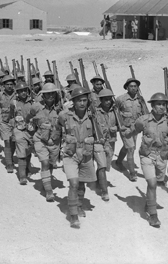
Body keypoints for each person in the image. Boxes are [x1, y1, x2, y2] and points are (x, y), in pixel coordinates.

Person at [55, 86, 97, 228]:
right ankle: (73, 215)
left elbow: (98, 135)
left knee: (81, 183)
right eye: (79, 100)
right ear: (73, 101)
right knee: (73, 183)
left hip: (86, 153)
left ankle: (78, 205)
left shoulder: (92, 116)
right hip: (70, 154)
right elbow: (57, 129)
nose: (82, 103)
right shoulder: (64, 115)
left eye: (84, 100)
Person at [134, 92, 168, 227]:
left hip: (161, 156)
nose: (161, 107)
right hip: (147, 155)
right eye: (158, 104)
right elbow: (136, 128)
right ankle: (153, 216)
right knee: (152, 184)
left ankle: (149, 202)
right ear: (152, 105)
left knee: (157, 182)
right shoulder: (144, 120)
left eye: (164, 104)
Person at [28, 83, 62, 202]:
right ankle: (49, 192)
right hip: (40, 139)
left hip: (55, 141)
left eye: (52, 93)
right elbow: (30, 116)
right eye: (47, 94)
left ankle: (46, 181)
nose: (50, 96)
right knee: (45, 162)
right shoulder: (36, 106)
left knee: (51, 163)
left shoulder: (61, 108)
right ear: (43, 95)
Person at [115, 78, 145, 181]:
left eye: (135, 86)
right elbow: (115, 111)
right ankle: (132, 173)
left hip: (135, 128)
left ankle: (118, 162)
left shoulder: (140, 99)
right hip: (125, 128)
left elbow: (145, 113)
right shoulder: (120, 99)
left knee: (128, 147)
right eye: (131, 86)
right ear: (127, 87)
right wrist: (119, 125)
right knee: (131, 148)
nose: (133, 88)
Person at [95, 89, 119, 201]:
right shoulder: (95, 111)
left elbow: (121, 124)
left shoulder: (115, 111)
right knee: (102, 166)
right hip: (99, 142)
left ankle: (97, 179)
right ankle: (104, 191)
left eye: (109, 99)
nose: (108, 102)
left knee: (105, 165)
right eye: (105, 99)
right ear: (101, 100)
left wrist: (117, 128)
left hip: (111, 141)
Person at [12, 82, 35, 185]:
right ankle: (22, 177)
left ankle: (26, 168)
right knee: (21, 153)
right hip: (19, 130)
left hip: (31, 131)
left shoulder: (33, 103)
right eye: (20, 91)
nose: (23, 93)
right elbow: (10, 116)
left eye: (24, 90)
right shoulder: (14, 103)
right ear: (17, 92)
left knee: (28, 151)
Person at [0, 75, 17, 173]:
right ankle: (9, 164)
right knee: (7, 141)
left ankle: (10, 157)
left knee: (13, 142)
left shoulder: (17, 94)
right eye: (7, 84)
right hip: (4, 122)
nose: (9, 86)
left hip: (16, 122)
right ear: (3, 85)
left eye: (11, 84)